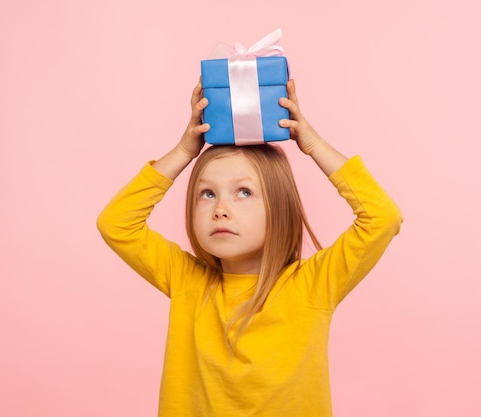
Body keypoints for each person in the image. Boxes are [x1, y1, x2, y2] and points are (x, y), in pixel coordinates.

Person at [97, 78, 402, 417]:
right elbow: (116, 223)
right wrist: (184, 152)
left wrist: (313, 145)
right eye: (207, 193)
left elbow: (382, 218)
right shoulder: (187, 281)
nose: (220, 208)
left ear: (279, 207)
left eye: (243, 192)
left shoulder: (312, 285)